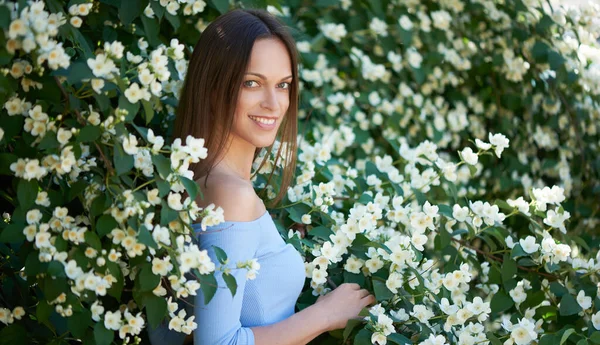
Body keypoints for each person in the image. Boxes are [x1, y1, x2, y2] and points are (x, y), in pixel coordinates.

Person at [148, 8, 375, 345]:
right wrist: (325, 315)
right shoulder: (229, 194)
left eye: (283, 85)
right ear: (212, 87)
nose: (273, 103)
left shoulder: (201, 179)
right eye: (251, 83)